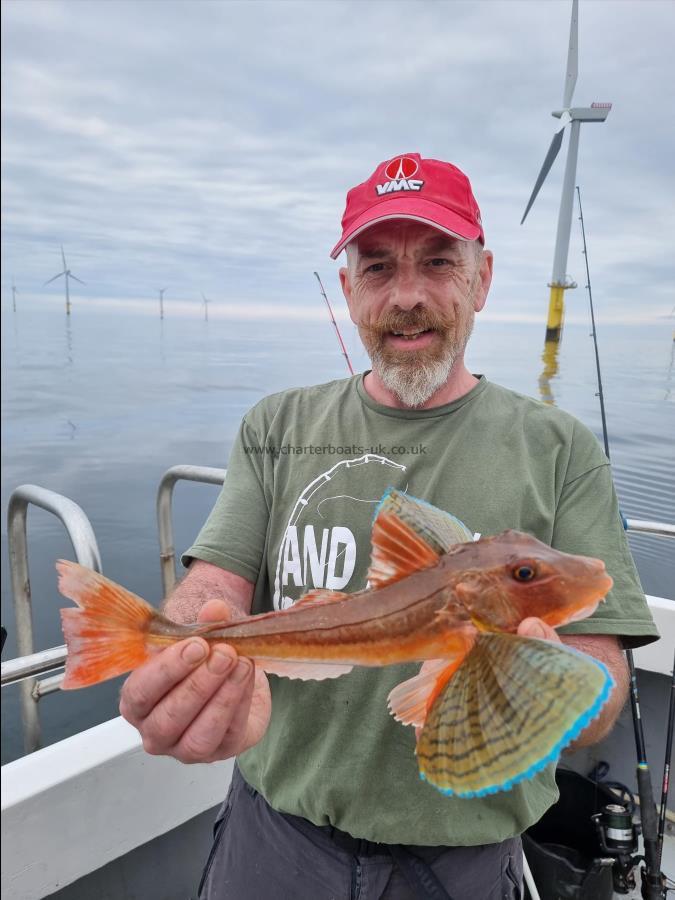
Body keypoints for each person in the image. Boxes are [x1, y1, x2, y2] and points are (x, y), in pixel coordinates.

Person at [119, 153, 658, 899]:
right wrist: (180, 649)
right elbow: (214, 581)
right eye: (376, 268)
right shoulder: (277, 424)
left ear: (483, 277)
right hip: (273, 838)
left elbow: (601, 674)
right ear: (347, 288)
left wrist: (554, 686)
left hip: (462, 860)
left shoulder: (559, 447)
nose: (406, 296)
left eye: (437, 261)